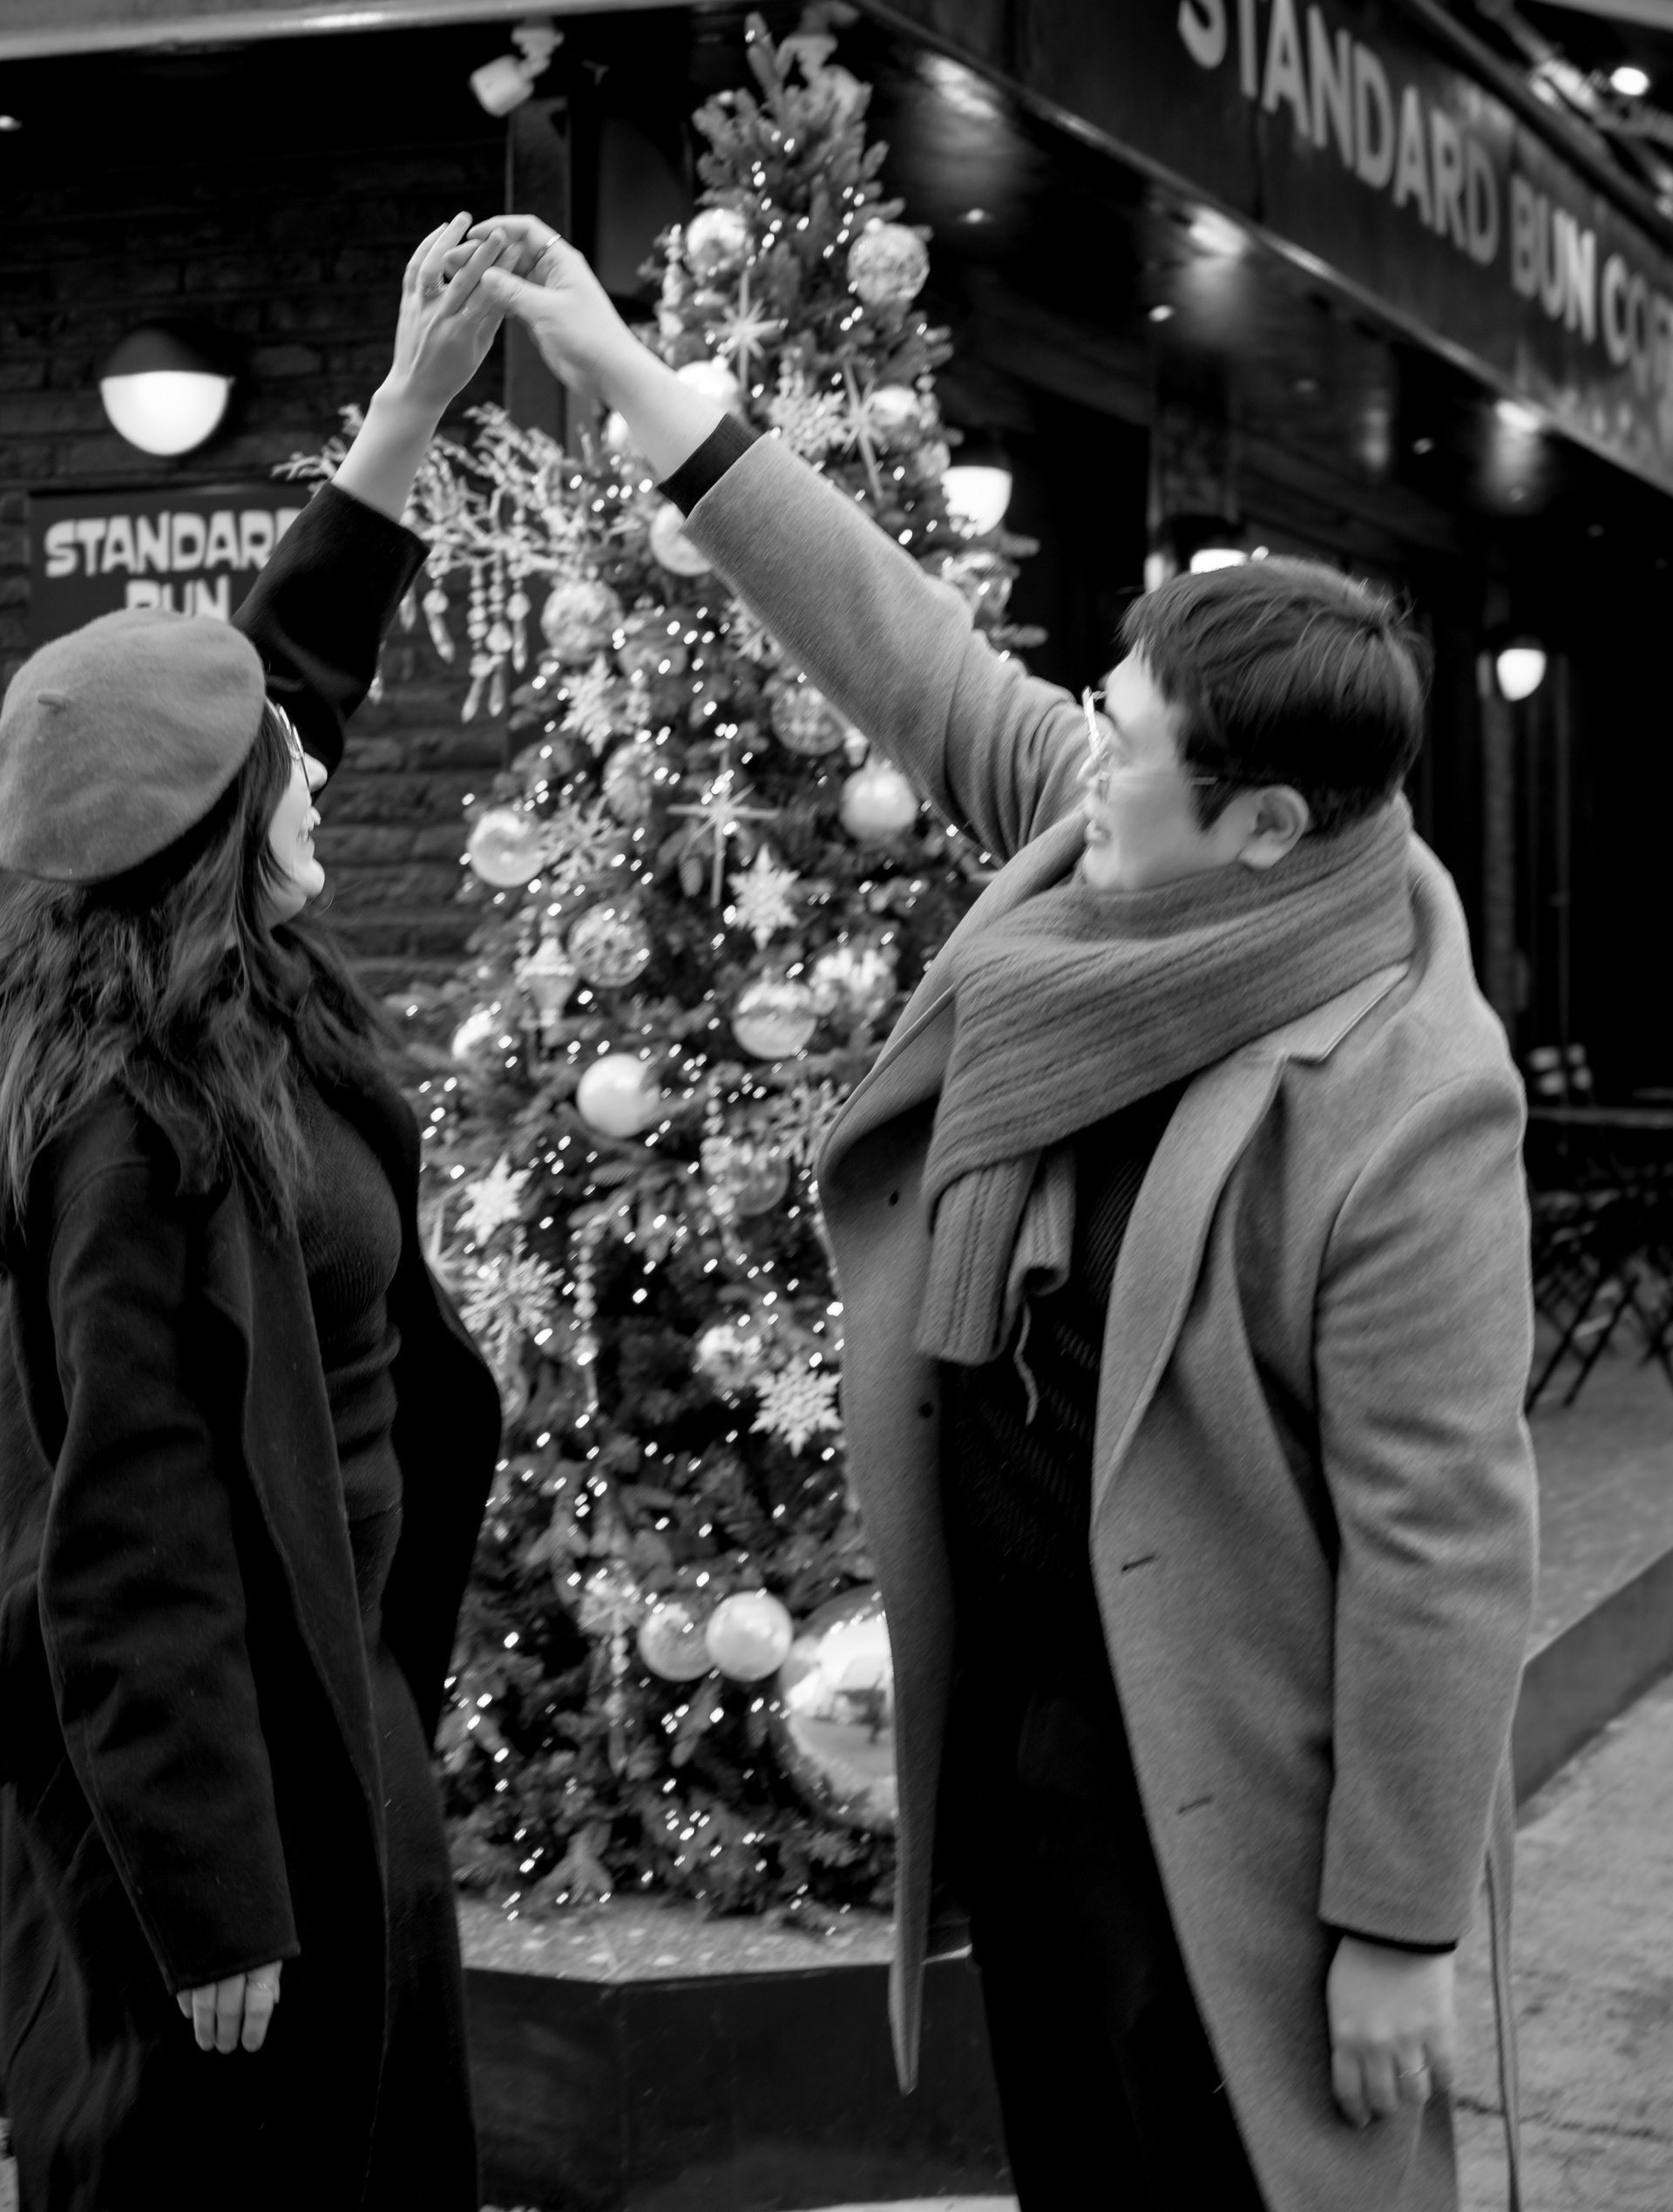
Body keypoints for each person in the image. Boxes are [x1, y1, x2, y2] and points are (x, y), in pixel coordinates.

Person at [462, 215, 1537, 2212]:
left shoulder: (1410, 1095)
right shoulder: (1110, 857)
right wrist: (618, 368)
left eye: (1123, 749)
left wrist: (1397, 1922)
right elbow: (907, 647)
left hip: (1229, 1786)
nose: (1082, 761)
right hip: (1035, 1744)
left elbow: (1447, 1537)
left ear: (1267, 826)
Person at [0, 219, 509, 2211]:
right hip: (219, 1798)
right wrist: (208, 1899)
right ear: (222, 830)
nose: (316, 762)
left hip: (335, 1704)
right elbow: (119, 1534)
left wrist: (404, 408)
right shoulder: (123, 1129)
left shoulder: (211, 965)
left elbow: (284, 665)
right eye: (282, 764)